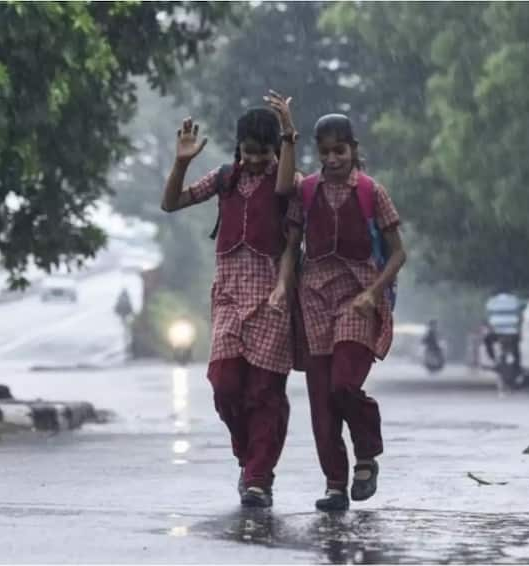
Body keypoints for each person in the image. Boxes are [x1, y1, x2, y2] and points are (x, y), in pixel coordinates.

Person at [268, 92, 407, 512]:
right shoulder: (306, 191)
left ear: (354, 150)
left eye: (340, 151)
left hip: (359, 296)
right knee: (320, 399)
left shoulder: (371, 192)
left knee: (344, 385)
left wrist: (374, 291)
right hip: (313, 300)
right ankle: (335, 484)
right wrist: (281, 285)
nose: (332, 159)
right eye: (325, 152)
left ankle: (367, 452)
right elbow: (292, 244)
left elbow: (399, 252)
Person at [160, 108, 299, 508]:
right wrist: (181, 162)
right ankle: (248, 456)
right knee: (224, 384)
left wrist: (282, 289)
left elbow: (291, 241)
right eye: (250, 151)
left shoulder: (288, 184)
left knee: (265, 393)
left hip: (272, 297)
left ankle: (258, 477)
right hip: (228, 296)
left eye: (264, 152)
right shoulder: (225, 179)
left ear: (276, 150)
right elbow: (171, 203)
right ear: (239, 147)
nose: (256, 160)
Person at [483, 291, 522, 371]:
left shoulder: (492, 301)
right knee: (516, 348)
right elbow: (520, 316)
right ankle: (517, 365)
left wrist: (489, 327)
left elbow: (488, 316)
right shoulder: (515, 300)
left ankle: (493, 359)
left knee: (487, 340)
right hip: (512, 332)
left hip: (497, 332)